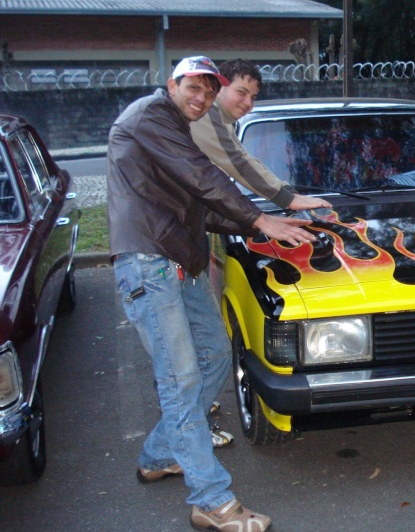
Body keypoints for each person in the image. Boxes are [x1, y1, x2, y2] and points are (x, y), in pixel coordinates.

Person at [108, 56, 315, 530]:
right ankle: (211, 500)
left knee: (217, 355)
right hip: (149, 262)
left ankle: (160, 454)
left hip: (180, 261)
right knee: (180, 379)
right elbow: (202, 176)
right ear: (172, 84)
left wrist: (265, 228)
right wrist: (259, 217)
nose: (200, 97)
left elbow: (200, 209)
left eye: (207, 89)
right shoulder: (150, 117)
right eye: (193, 88)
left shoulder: (176, 124)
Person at [190, 58, 331, 212]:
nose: (247, 103)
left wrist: (287, 191)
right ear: (219, 87)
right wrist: (286, 198)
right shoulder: (204, 113)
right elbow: (235, 160)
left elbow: (243, 157)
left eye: (253, 97)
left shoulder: (221, 119)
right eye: (241, 92)